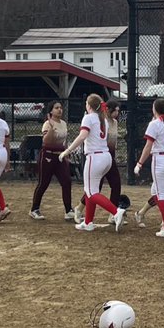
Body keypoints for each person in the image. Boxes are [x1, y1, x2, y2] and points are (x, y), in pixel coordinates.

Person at [59, 94, 126, 232]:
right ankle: (88, 222)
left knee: (91, 192)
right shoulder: (104, 119)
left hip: (95, 157)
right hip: (106, 156)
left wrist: (68, 150)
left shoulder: (89, 118)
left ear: (89, 105)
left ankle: (116, 211)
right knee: (91, 190)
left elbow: (83, 136)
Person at [133, 98, 164, 237]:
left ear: (155, 109)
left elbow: (148, 146)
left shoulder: (154, 124)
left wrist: (139, 163)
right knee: (158, 192)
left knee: (161, 194)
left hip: (160, 159)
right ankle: (144, 214)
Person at [30, 101, 74, 221]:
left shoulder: (64, 123)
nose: (59, 110)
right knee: (43, 183)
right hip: (48, 155)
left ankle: (68, 210)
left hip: (60, 156)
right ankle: (34, 209)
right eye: (56, 108)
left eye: (60, 108)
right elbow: (46, 141)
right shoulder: (47, 124)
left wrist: (66, 153)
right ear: (51, 111)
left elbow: (64, 141)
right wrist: (51, 127)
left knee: (66, 181)